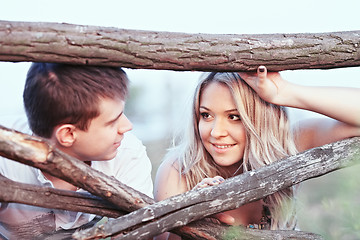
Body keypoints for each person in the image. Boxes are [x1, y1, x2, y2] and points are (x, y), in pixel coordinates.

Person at [154, 66, 360, 239]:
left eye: (234, 117)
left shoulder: (288, 144)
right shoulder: (179, 171)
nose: (216, 132)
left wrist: (284, 92)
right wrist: (193, 213)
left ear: (260, 119)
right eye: (206, 115)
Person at [0, 63, 153, 239]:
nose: (127, 126)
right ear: (68, 134)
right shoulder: (4, 158)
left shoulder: (127, 152)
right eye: (112, 122)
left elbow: (141, 230)